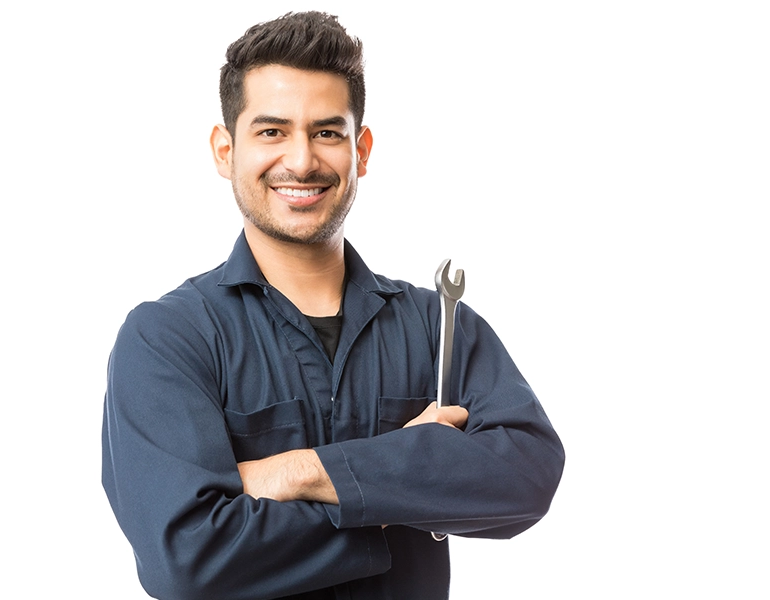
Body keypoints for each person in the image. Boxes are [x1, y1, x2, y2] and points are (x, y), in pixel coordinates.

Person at [102, 11, 564, 600]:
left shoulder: (438, 325)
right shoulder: (167, 338)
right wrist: (404, 480)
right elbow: (189, 560)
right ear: (225, 150)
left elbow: (526, 478)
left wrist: (295, 473)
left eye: (327, 132)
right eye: (271, 131)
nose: (301, 161)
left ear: (361, 149)